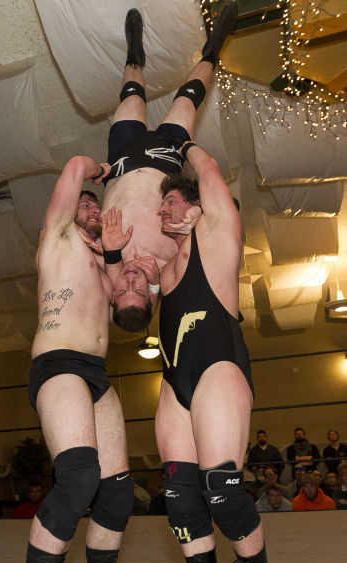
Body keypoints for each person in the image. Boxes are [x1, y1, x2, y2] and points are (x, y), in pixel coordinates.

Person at [153, 146, 280, 563]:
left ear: (196, 205)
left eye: (169, 202)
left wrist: (183, 147)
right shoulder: (164, 269)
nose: (162, 210)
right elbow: (126, 313)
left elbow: (208, 175)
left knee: (223, 492)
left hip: (218, 368)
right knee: (179, 496)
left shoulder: (219, 233)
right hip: (173, 382)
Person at [16, 157, 134, 563]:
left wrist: (116, 251)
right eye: (84, 202)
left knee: (118, 491)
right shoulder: (57, 236)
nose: (90, 206)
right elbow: (72, 169)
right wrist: (100, 169)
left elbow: (125, 316)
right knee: (80, 478)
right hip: (58, 361)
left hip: (96, 372)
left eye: (95, 205)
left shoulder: (101, 259)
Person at [101, 3, 239, 331]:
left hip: (122, 160)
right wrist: (195, 220)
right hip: (166, 159)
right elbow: (212, 239)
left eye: (122, 290)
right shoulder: (170, 267)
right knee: (186, 101)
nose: (129, 282)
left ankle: (134, 54)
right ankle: (213, 50)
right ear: (152, 298)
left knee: (132, 100)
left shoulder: (114, 265)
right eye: (136, 290)